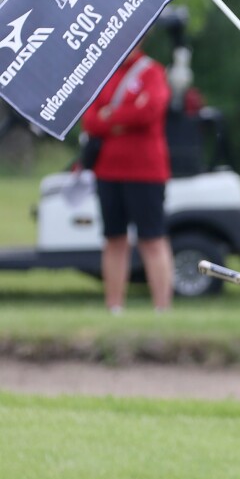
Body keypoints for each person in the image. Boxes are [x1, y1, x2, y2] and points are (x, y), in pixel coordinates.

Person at [81, 45, 173, 314]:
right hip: (108, 171)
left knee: (152, 238)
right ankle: (114, 306)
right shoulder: (103, 73)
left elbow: (150, 112)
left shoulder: (152, 72)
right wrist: (121, 118)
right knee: (114, 238)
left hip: (146, 171)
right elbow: (89, 120)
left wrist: (111, 117)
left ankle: (162, 308)